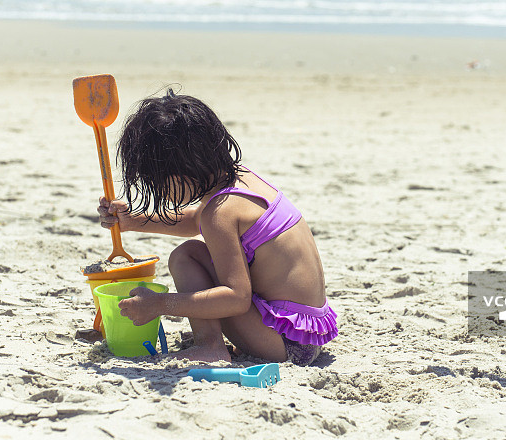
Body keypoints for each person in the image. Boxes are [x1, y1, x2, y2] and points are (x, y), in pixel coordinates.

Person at [97, 89, 337, 366]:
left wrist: (160, 305)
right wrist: (132, 221)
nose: (160, 193)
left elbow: (236, 299)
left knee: (185, 257)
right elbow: (193, 222)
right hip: (308, 333)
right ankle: (212, 341)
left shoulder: (219, 214)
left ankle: (209, 346)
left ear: (182, 170)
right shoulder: (241, 180)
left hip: (286, 344)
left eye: (159, 182)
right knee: (194, 252)